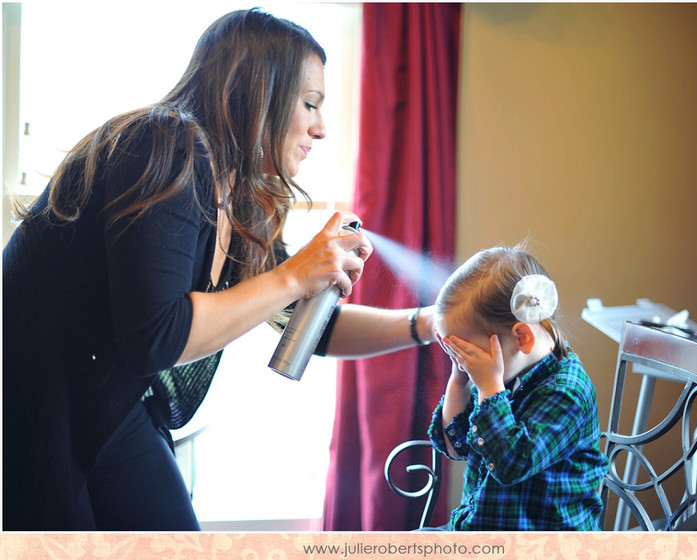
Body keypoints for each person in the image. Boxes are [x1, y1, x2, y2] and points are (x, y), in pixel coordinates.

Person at [3, 8, 435, 531]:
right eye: (310, 104)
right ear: (259, 91)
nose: (320, 129)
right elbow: (156, 337)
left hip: (108, 404)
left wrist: (428, 325)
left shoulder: (240, 194)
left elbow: (307, 326)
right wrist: (295, 274)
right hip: (33, 407)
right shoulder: (164, 147)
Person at [427, 244, 608, 531]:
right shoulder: (502, 374)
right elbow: (456, 446)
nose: (465, 362)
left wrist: (488, 387)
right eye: (456, 353)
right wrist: (458, 380)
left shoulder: (567, 392)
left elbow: (511, 464)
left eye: (467, 352)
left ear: (521, 337)